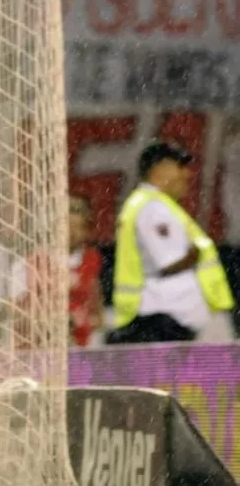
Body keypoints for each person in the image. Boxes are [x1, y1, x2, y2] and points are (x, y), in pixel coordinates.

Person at [108, 140, 235, 344]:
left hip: (168, 315)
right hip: (166, 317)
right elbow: (170, 263)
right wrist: (194, 255)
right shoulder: (152, 207)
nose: (187, 174)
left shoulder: (150, 204)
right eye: (180, 166)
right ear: (159, 169)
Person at [65, 194, 104, 347]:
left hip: (82, 338)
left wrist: (94, 316)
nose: (72, 233)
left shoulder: (91, 258)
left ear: (87, 231)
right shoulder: (38, 259)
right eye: (68, 226)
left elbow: (95, 291)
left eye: (77, 227)